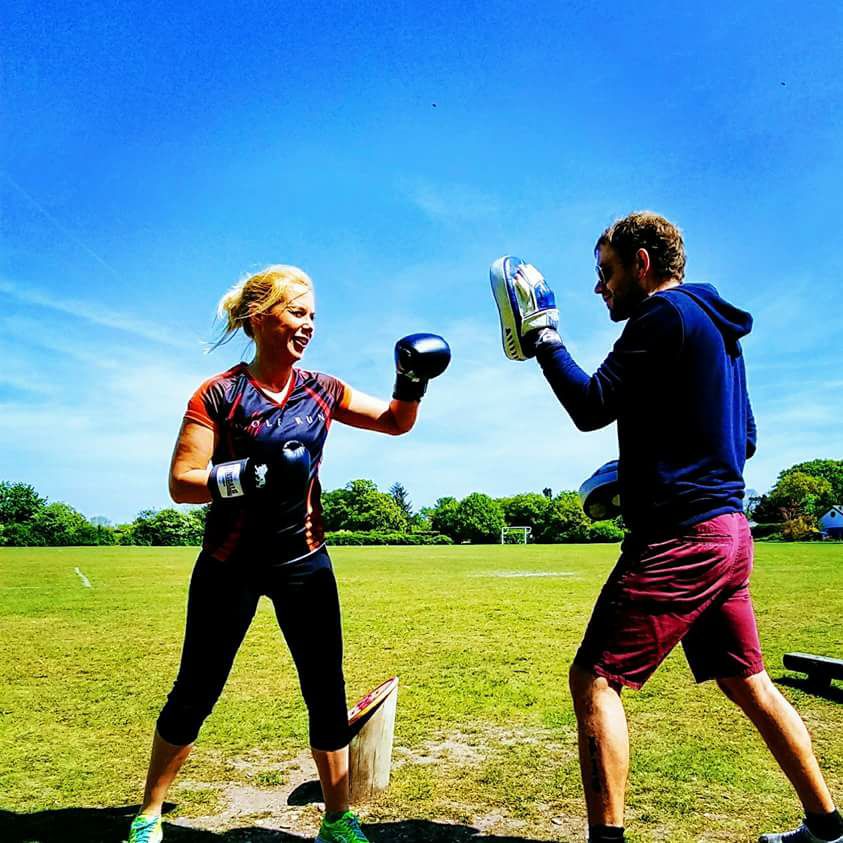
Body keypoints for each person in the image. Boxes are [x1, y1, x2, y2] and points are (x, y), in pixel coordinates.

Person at [490, 212, 842, 843]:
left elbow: (591, 404)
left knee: (595, 677)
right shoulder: (720, 330)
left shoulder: (661, 315)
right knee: (748, 680)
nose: (600, 288)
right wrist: (644, 466)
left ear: (642, 265)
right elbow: (747, 440)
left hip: (681, 537)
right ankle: (829, 828)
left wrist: (544, 337)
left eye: (606, 272)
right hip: (729, 533)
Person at [127, 264, 450, 843]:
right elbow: (182, 481)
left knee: (326, 690)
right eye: (298, 313)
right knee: (196, 690)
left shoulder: (321, 390)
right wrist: (250, 476)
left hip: (304, 560)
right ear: (259, 318)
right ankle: (149, 812)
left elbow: (396, 423)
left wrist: (411, 381)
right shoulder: (219, 393)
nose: (309, 326)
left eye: (313, 316)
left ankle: (337, 818)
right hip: (229, 563)